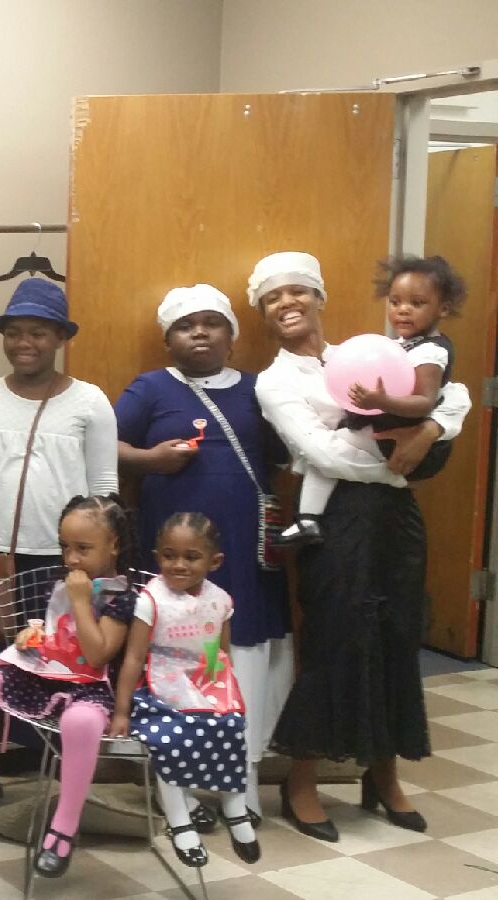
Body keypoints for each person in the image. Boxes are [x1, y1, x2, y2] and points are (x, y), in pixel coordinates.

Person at [249, 250, 471, 841]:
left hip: (396, 521)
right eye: (273, 296)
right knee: (335, 640)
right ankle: (301, 782)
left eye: (298, 290)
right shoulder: (275, 381)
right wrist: (400, 463)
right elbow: (321, 454)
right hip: (336, 520)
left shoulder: (372, 351)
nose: (288, 302)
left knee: (397, 636)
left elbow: (456, 395)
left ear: (319, 296)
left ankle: (383, 776)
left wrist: (429, 429)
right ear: (263, 311)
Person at [113, 284, 290, 819]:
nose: (199, 333)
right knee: (175, 657)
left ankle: (243, 779)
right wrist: (149, 460)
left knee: (240, 657)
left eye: (212, 323)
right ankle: (177, 785)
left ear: (231, 336)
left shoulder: (259, 389)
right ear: (168, 340)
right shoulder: (150, 388)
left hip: (242, 550)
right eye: (185, 325)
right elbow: (102, 444)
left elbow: (287, 453)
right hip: (172, 559)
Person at [0, 280, 118, 786]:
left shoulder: (90, 403)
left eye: (37, 332)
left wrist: (101, 574)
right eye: (14, 332)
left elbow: (104, 491)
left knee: (55, 670)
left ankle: (55, 785)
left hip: (61, 564)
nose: (24, 343)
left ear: (60, 337)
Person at [0, 496, 138, 879]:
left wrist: (81, 601)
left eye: (83, 548)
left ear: (114, 545)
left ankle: (63, 829)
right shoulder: (63, 583)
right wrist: (31, 636)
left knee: (79, 723)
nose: (71, 559)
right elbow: (56, 633)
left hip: (94, 688)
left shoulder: (121, 598)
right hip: (47, 676)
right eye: (65, 547)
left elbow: (97, 653)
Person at [278, 254, 467, 545]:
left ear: (443, 308)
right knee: (321, 455)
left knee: (323, 454)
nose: (403, 310)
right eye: (395, 302)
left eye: (417, 303)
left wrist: (383, 402)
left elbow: (427, 401)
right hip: (387, 441)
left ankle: (307, 519)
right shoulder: (399, 347)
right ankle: (308, 519)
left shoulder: (430, 352)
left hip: (392, 438)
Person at [109, 513, 260, 869]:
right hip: (160, 684)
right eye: (169, 555)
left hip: (205, 681)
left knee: (231, 726)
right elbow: (134, 657)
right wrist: (122, 710)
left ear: (214, 561)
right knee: (170, 739)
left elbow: (221, 652)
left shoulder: (221, 600)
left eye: (191, 557)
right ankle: (179, 819)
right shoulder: (151, 599)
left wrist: (223, 693)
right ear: (157, 556)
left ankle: (234, 807)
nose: (178, 564)